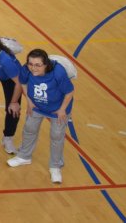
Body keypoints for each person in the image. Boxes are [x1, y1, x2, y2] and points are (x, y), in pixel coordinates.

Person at [7, 49, 75, 184]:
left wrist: (62, 110)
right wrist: (29, 101)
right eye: (30, 64)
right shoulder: (26, 69)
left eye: (38, 65)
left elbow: (69, 92)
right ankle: (24, 156)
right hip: (37, 106)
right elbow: (23, 83)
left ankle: (55, 166)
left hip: (57, 109)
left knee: (57, 136)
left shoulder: (58, 73)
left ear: (46, 65)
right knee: (29, 128)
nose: (33, 68)